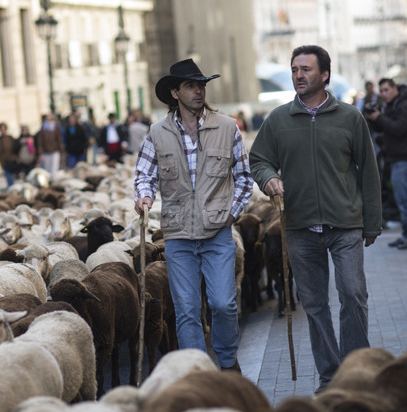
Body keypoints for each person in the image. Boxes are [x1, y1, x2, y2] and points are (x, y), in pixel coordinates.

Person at [249, 45, 382, 394]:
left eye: (306, 69)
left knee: (353, 295)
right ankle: (329, 378)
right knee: (314, 305)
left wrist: (373, 222)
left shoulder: (350, 117)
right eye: (294, 69)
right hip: (299, 226)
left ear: (324, 74)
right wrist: (268, 178)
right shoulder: (278, 119)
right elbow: (259, 159)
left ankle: (356, 372)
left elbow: (368, 171)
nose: (298, 75)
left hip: (345, 224)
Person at [134, 58, 253, 372]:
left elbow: (243, 176)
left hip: (217, 233)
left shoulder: (227, 127)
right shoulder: (156, 133)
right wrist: (144, 196)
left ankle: (227, 363)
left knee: (223, 304)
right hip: (178, 236)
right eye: (190, 85)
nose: (198, 91)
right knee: (186, 309)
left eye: (201, 85)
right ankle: (197, 372)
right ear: (175, 92)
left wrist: (233, 213)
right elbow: (143, 175)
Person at [365, 78, 407, 249]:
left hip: (403, 160)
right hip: (395, 160)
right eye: (381, 91)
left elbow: (398, 128)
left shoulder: (403, 105)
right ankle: (404, 235)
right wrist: (373, 118)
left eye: (386, 90)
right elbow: (383, 129)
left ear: (395, 88)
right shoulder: (391, 105)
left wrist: (380, 117)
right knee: (401, 200)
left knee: (403, 201)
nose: (384, 94)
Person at [0, 122, 18, 188]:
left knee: (14, 177)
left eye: (4, 129)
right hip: (4, 162)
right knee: (9, 178)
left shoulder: (10, 138)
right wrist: (0, 160)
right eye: (1, 129)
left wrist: (15, 157)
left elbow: (16, 147)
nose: (3, 131)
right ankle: (11, 189)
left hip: (12, 161)